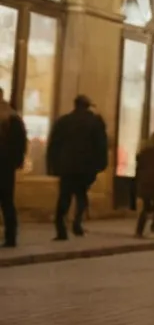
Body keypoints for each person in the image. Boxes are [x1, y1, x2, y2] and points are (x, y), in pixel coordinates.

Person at [48, 95, 109, 241]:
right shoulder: (95, 122)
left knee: (64, 197)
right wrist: (101, 165)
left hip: (67, 166)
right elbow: (101, 145)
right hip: (86, 167)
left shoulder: (64, 121)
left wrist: (53, 165)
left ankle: (61, 229)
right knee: (81, 195)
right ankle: (77, 224)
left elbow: (54, 145)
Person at [0, 89, 27, 248]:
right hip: (6, 167)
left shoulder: (10, 118)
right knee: (7, 202)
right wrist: (15, 162)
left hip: (4, 164)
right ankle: (11, 237)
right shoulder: (12, 116)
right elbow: (20, 143)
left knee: (7, 202)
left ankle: (10, 237)